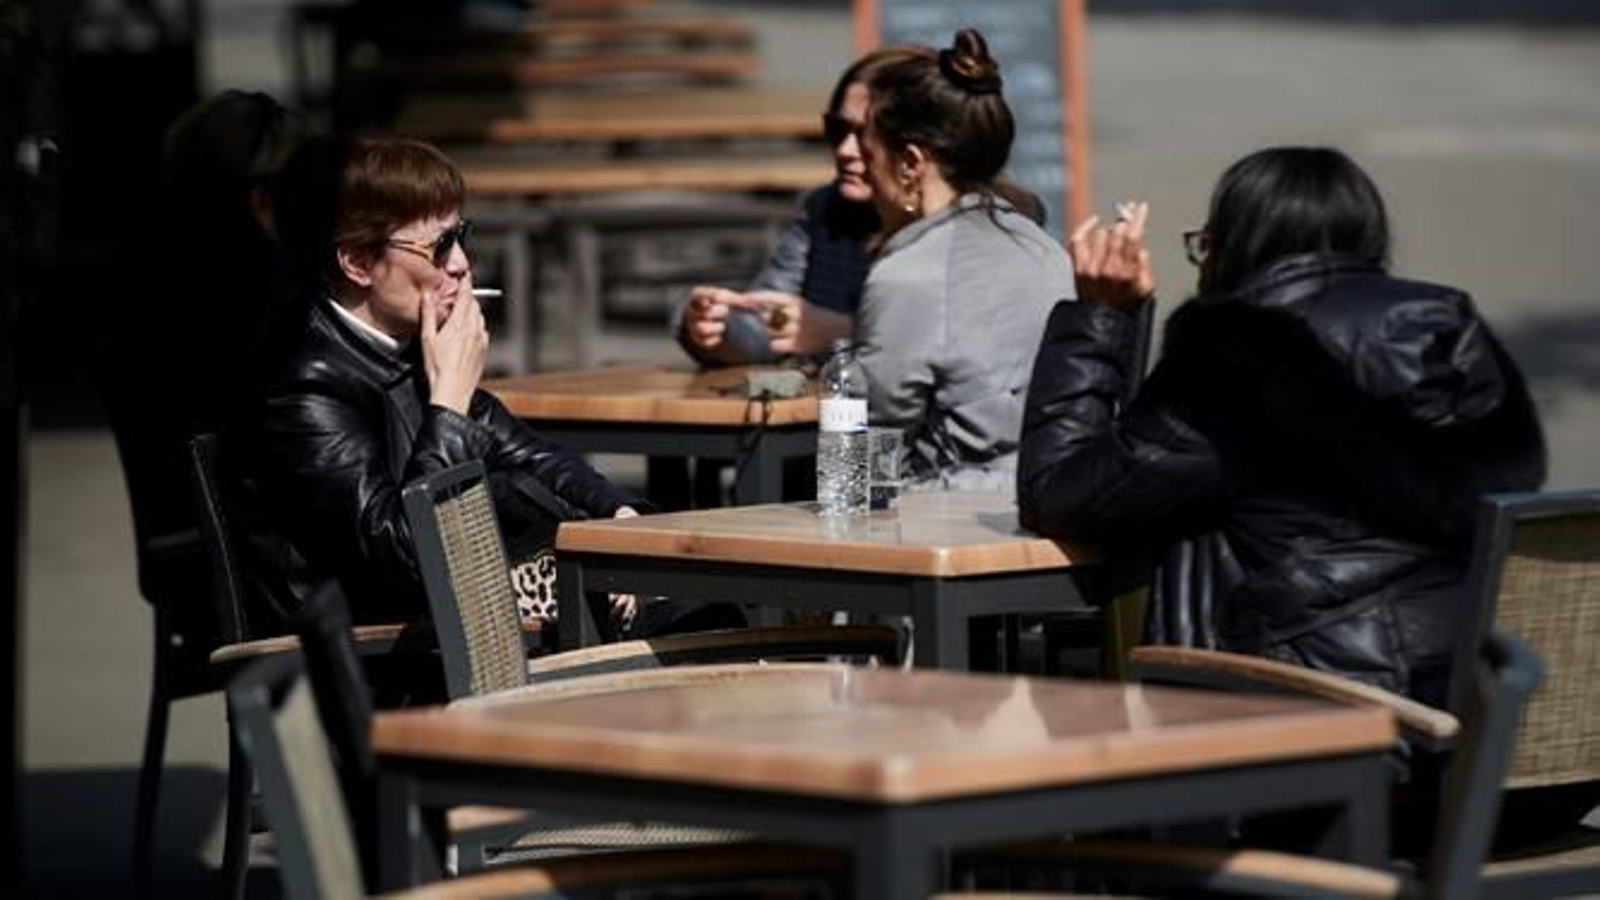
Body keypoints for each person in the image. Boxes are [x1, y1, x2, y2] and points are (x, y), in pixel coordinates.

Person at [1018, 147, 1546, 708]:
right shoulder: (1449, 334)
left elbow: (1058, 491)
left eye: (1206, 244)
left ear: (1237, 244)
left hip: (1304, 706)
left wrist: (1100, 313)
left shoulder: (1233, 359)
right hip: (1470, 694)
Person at [226, 134, 645, 634]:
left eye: (460, 234)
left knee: (691, 599)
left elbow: (530, 456)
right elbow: (405, 558)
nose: (461, 262)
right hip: (383, 653)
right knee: (694, 616)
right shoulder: (302, 388)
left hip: (466, 623)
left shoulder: (405, 344)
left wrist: (617, 513)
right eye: (439, 246)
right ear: (357, 262)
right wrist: (448, 405)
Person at [101, 89, 310, 643]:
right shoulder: (263, 286)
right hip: (246, 559)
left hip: (186, 548)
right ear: (262, 195)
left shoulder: (141, 267)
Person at [841, 27, 1073, 490]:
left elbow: (873, 432)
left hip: (948, 510)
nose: (863, 171)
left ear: (910, 163)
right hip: (1052, 492)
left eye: (869, 155)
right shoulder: (1044, 247)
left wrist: (845, 506)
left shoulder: (910, 274)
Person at [673, 46, 927, 367]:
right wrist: (716, 327)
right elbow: (775, 323)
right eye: (837, 129)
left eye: (866, 135)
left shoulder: (955, 230)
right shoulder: (824, 210)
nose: (846, 150)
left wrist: (844, 333)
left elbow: (960, 349)